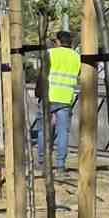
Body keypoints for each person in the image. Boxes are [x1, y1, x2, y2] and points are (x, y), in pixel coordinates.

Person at [38, 30, 81, 172]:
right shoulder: (77, 57)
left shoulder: (50, 54)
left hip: (48, 96)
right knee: (63, 132)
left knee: (44, 130)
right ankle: (61, 165)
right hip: (66, 98)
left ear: (57, 41)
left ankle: (42, 161)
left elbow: (42, 74)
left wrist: (38, 91)